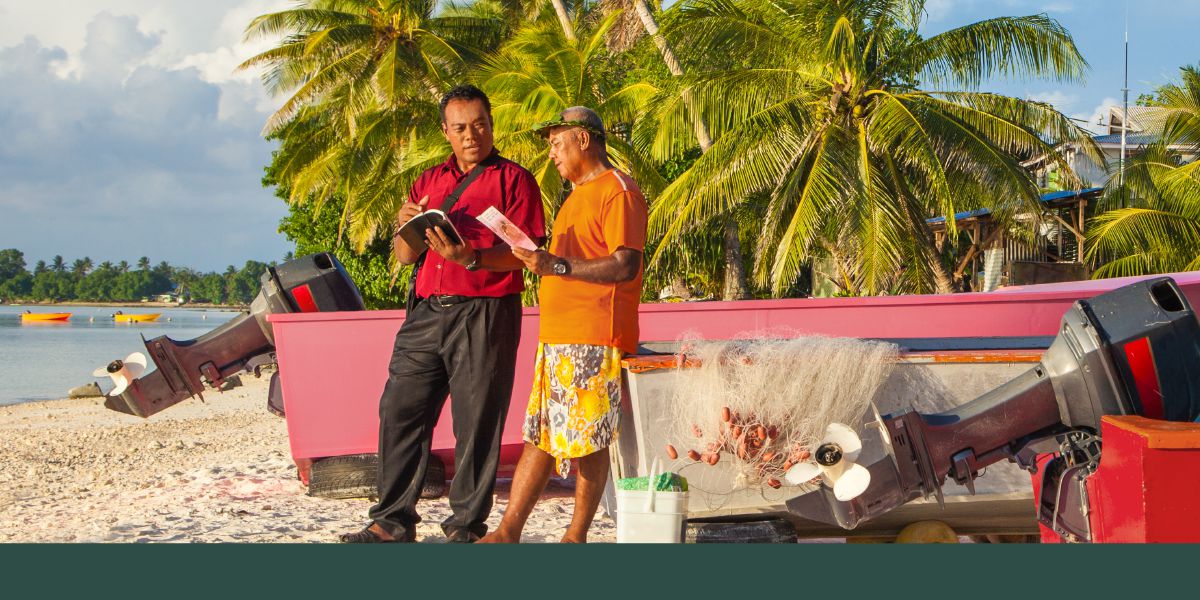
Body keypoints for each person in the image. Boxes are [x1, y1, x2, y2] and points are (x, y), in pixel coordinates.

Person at [339, 84, 546, 543]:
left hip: (486, 311)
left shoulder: (515, 181)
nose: (472, 135)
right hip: (426, 310)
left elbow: (527, 253)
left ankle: (465, 528)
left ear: (492, 124)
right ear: (445, 132)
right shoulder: (428, 181)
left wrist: (470, 258)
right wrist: (405, 224)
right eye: (461, 128)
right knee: (399, 409)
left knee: (476, 422)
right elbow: (403, 256)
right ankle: (392, 521)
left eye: (480, 124)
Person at [479, 107, 647, 543]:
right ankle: (508, 531)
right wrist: (539, 260)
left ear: (584, 140)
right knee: (541, 434)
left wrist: (556, 265)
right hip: (557, 337)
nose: (551, 153)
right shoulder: (574, 196)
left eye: (557, 143)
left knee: (589, 440)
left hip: (593, 335)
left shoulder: (619, 190)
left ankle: (575, 537)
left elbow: (625, 264)